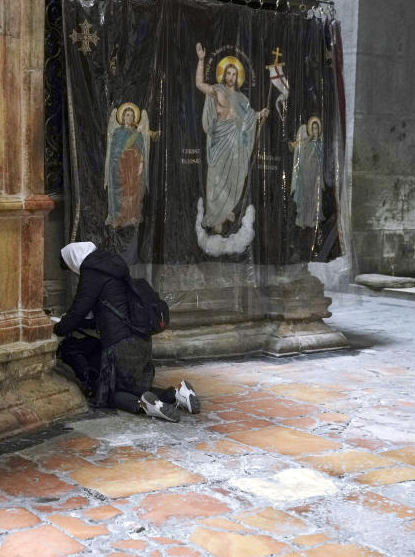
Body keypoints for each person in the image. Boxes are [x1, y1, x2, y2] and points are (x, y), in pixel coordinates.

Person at [53, 241, 199, 422]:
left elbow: (78, 311)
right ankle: (177, 394)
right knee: (136, 388)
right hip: (140, 338)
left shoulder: (91, 272)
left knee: (106, 394)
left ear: (73, 259)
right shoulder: (113, 266)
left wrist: (57, 328)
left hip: (119, 344)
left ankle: (145, 406)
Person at [194, 43, 270, 231]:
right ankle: (215, 215)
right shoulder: (217, 90)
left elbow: (249, 117)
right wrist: (202, 60)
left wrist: (260, 114)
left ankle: (225, 208)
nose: (230, 77)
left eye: (234, 74)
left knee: (232, 178)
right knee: (216, 178)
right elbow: (199, 84)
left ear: (237, 77)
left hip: (235, 142)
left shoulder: (242, 100)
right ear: (223, 75)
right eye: (228, 73)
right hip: (219, 139)